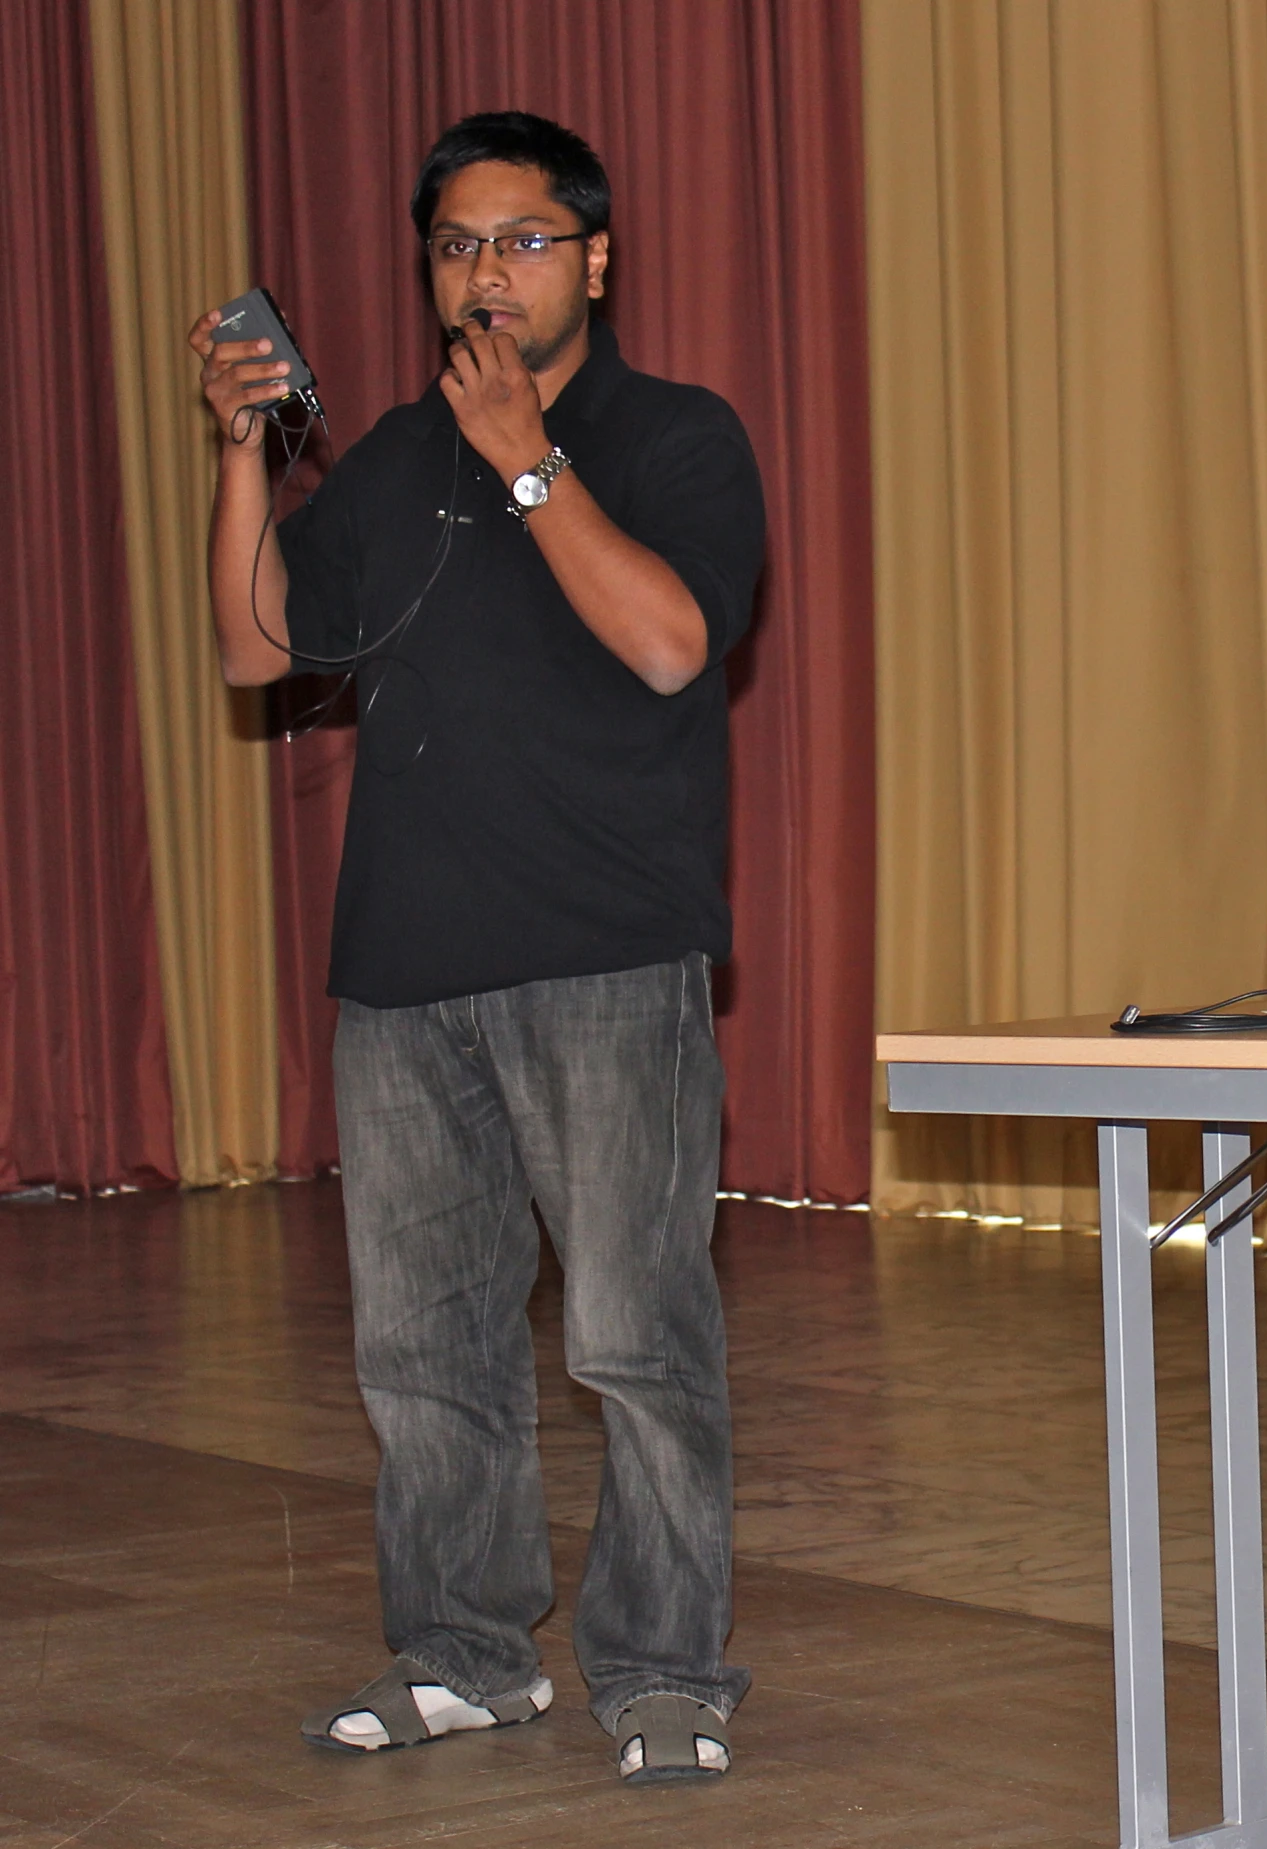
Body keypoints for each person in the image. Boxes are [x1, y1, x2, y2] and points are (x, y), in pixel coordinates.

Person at [188, 111, 763, 1786]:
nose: (485, 275)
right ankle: (460, 1653)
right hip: (406, 967)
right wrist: (243, 452)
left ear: (597, 258)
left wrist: (530, 462)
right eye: (456, 247)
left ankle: (664, 1670)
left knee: (634, 1339)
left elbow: (670, 647)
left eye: (520, 242)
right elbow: (252, 649)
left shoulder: (676, 436)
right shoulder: (385, 455)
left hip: (605, 952)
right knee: (423, 1346)